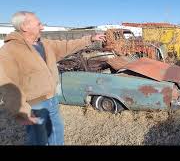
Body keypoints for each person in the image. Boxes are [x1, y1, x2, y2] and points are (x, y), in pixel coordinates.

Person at [0, 11, 107, 145]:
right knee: (38, 140)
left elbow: (67, 45)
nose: (42, 27)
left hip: (52, 99)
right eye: (39, 24)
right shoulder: (9, 50)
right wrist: (22, 111)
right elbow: (7, 84)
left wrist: (90, 39)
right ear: (25, 26)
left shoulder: (45, 44)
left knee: (57, 135)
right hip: (34, 105)